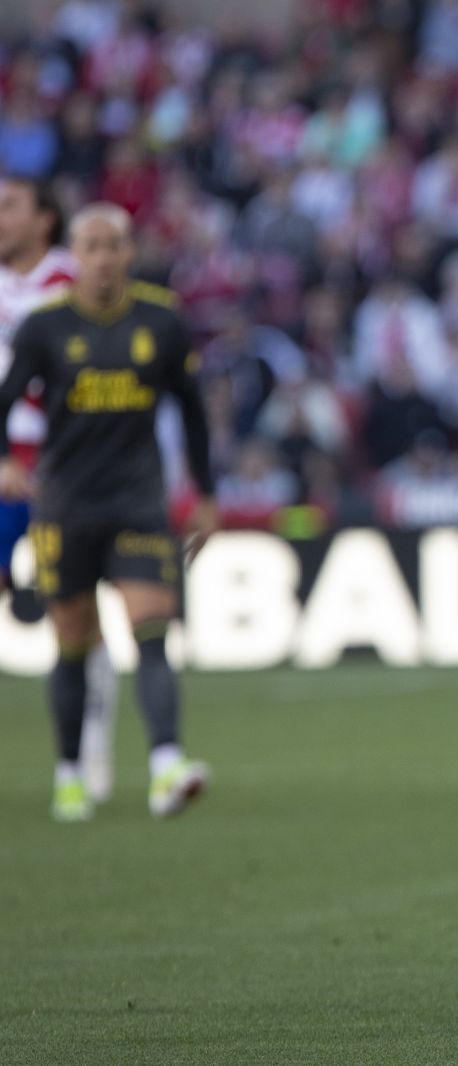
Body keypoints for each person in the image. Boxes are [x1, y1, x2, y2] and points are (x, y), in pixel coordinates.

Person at [0, 203, 218, 821]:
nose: (102, 257)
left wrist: (204, 494)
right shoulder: (44, 328)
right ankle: (69, 772)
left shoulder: (162, 320)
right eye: (90, 246)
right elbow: (4, 399)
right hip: (64, 504)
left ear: (129, 253)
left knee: (152, 633)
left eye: (113, 245)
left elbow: (194, 411)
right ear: (75, 255)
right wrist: (5, 462)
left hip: (138, 501)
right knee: (71, 644)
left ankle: (165, 765)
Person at [0, 175, 122, 803]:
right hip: (3, 465)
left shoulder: (70, 285)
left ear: (43, 220)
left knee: (71, 614)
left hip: (59, 465)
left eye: (9, 206)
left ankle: (90, 738)